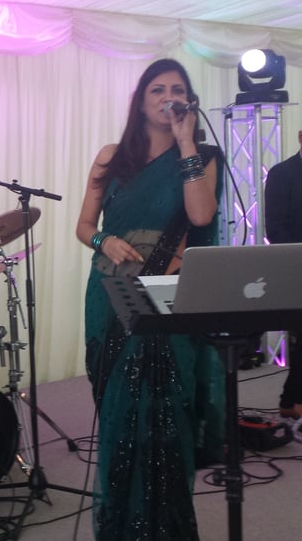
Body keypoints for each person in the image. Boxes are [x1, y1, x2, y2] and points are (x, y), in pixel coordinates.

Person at [75, 59, 226, 540]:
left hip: (169, 300)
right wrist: (104, 241)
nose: (168, 97)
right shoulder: (110, 157)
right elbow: (83, 226)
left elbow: (200, 216)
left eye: (177, 89)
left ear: (189, 100)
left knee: (167, 410)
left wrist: (186, 143)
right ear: (140, 101)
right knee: (119, 411)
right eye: (157, 89)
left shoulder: (203, 156)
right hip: (111, 298)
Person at [264, 129, 302, 419]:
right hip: (295, 266)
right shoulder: (281, 174)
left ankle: (290, 400)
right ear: (300, 136)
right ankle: (294, 400)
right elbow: (276, 229)